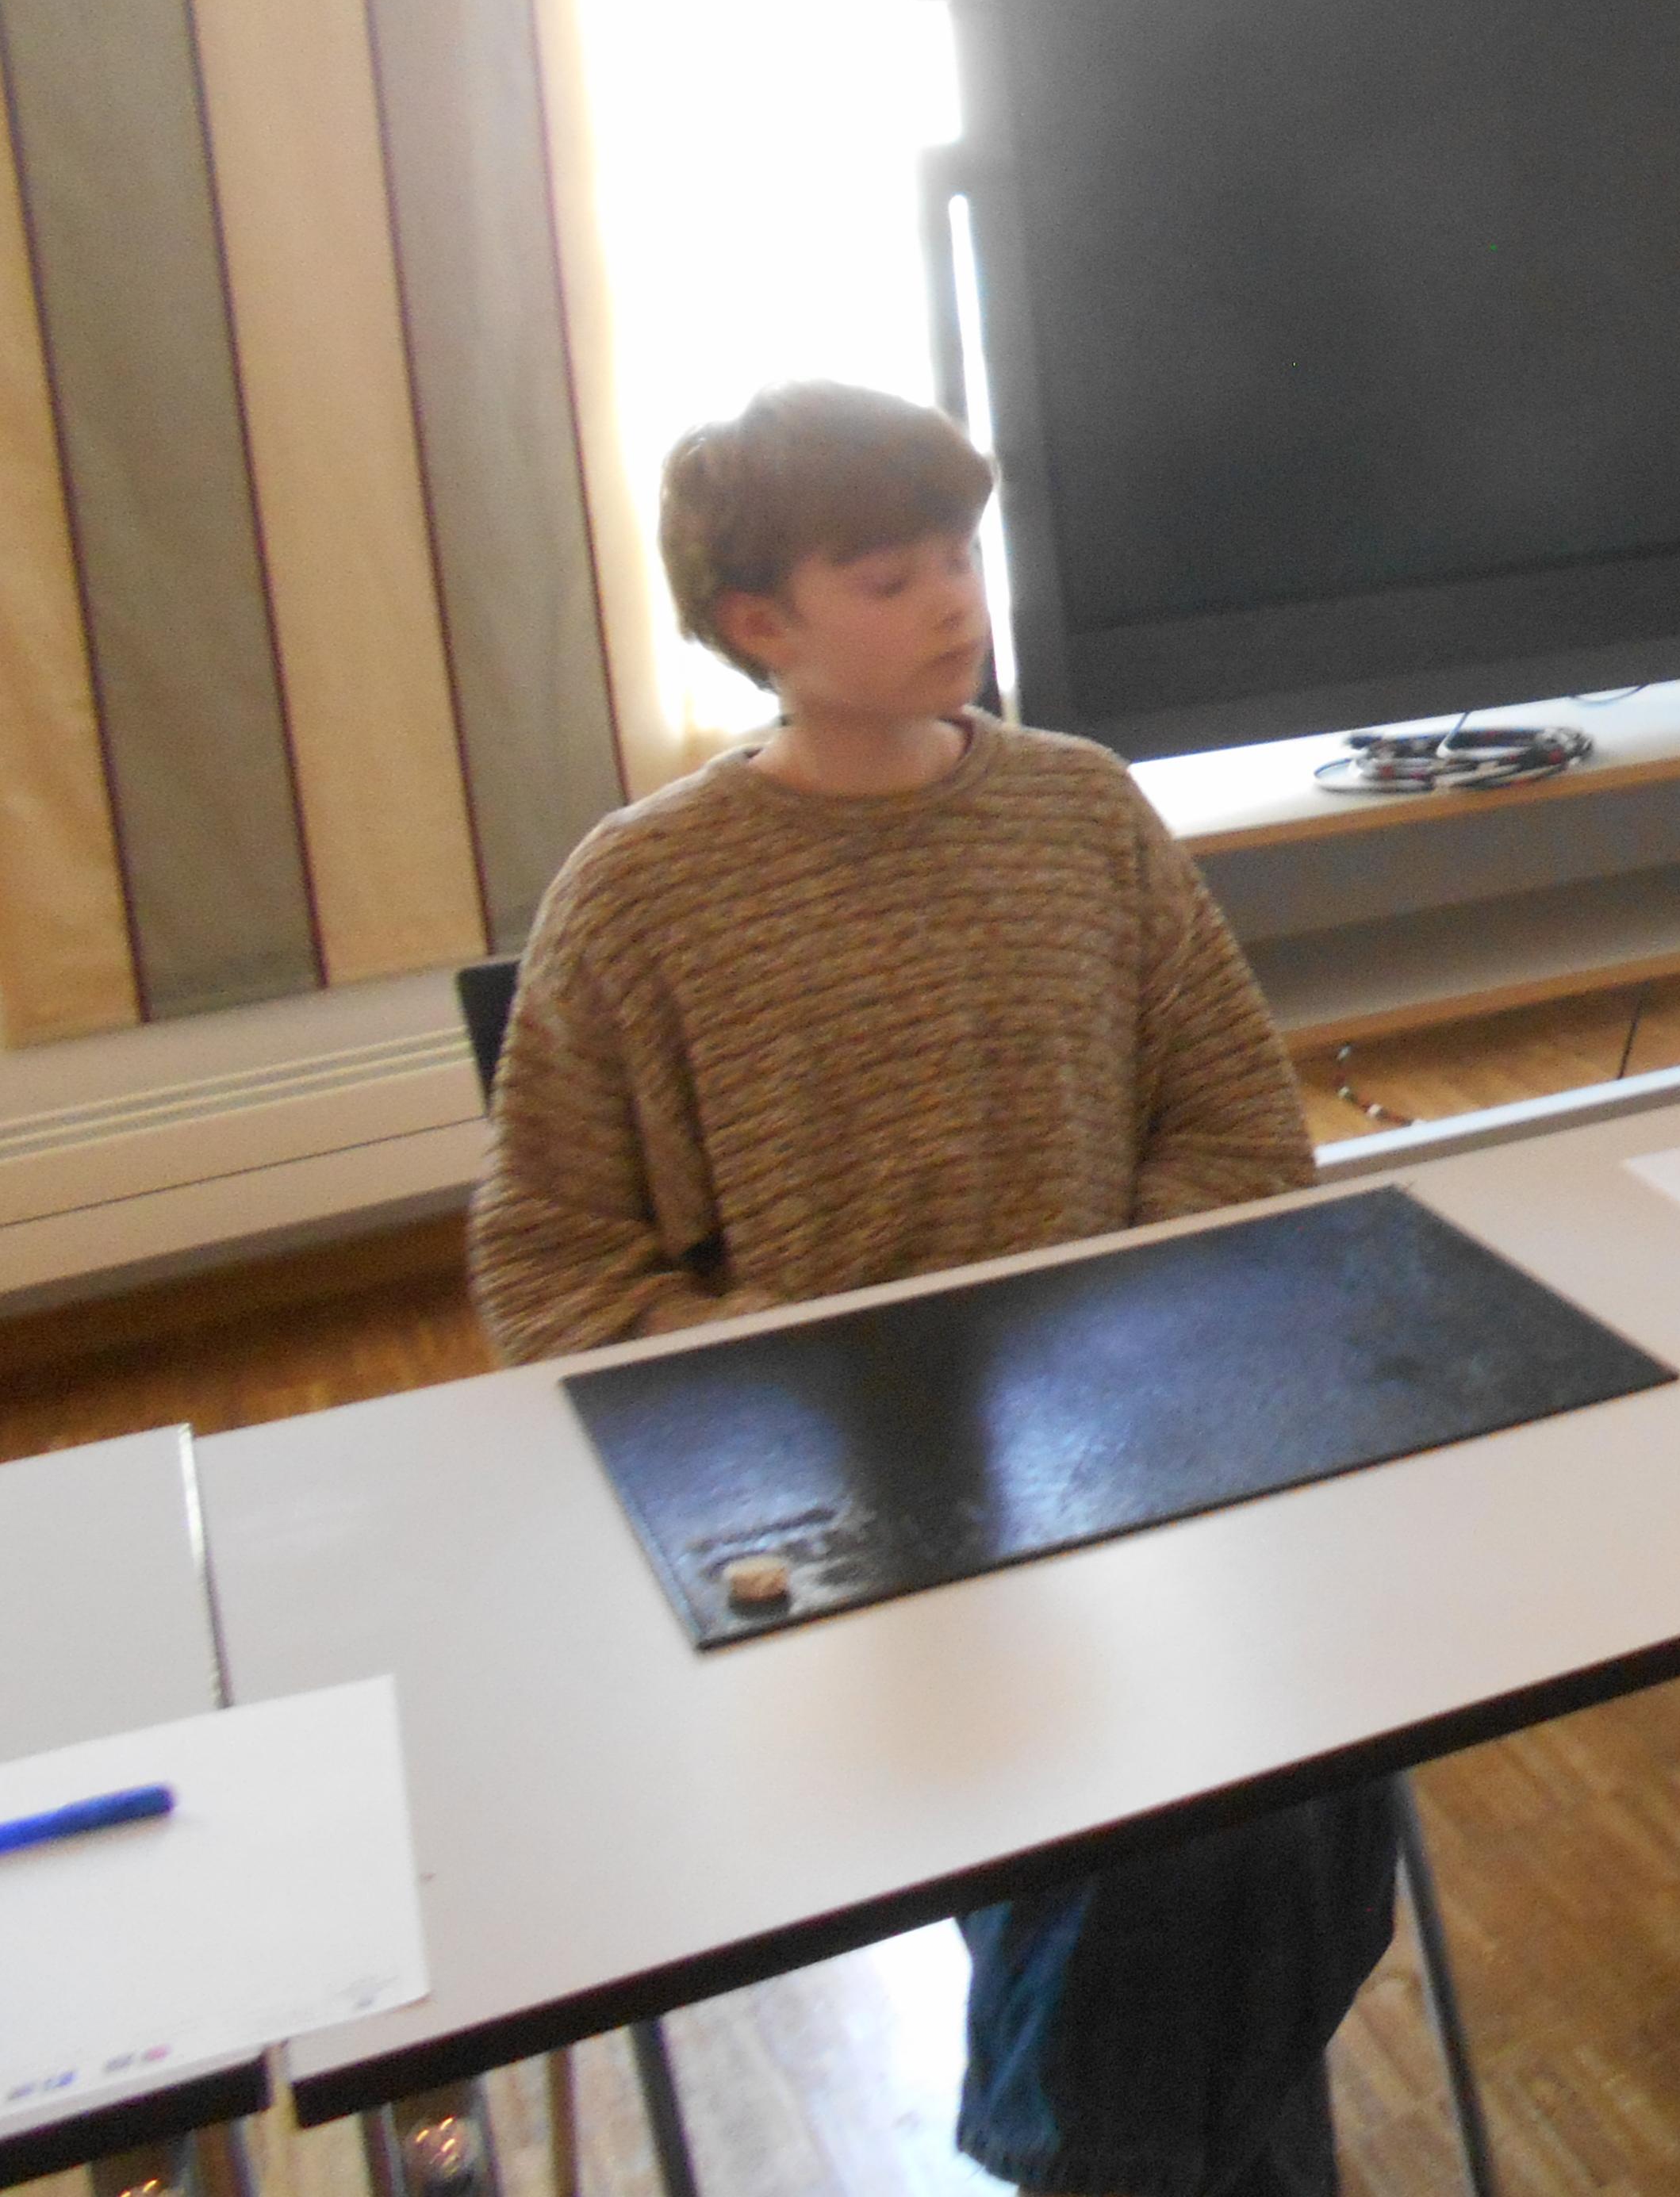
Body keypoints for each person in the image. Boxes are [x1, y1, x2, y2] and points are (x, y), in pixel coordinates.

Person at [469, 382, 1395, 2197]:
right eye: (888, 578)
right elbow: (553, 1266)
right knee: (1201, 1818)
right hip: (831, 1503)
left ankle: (1107, 2157)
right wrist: (808, 1379)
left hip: (1122, 1436)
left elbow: (1233, 1128)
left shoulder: (1080, 810)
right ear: (759, 624)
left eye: (960, 554)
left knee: (1301, 1760)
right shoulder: (644, 893)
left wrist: (1098, 1343)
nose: (956, 601)